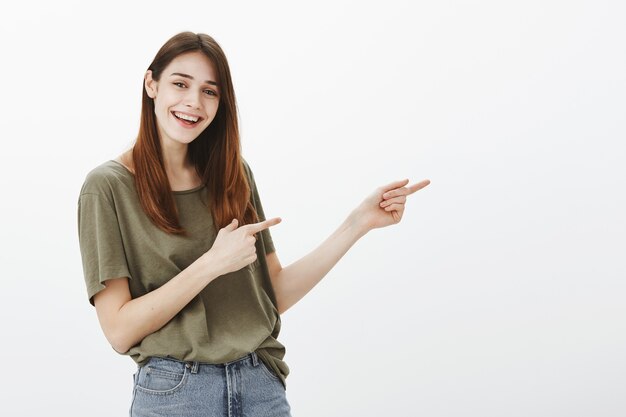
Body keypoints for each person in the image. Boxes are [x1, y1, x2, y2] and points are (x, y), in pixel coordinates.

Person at [77, 31, 430, 417]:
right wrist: (211, 264)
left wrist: (357, 223)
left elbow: (272, 292)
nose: (193, 102)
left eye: (210, 91)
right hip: (176, 393)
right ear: (152, 84)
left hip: (258, 385)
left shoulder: (232, 174)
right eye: (180, 84)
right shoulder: (107, 187)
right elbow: (118, 330)